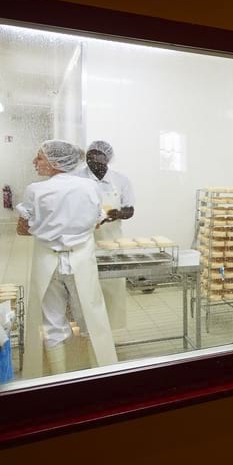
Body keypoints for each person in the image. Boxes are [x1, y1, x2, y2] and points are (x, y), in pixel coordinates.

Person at [16, 140, 118, 377]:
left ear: (54, 163)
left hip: (48, 265)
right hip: (81, 263)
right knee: (91, 318)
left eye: (39, 157)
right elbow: (96, 223)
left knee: (52, 322)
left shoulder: (35, 190)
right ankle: (100, 377)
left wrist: (48, 227)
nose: (34, 162)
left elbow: (22, 229)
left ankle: (60, 380)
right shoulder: (90, 187)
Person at [77, 140, 136, 329]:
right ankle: (87, 329)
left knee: (113, 286)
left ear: (107, 159)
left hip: (112, 241)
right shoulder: (77, 179)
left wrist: (115, 214)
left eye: (98, 159)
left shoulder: (120, 180)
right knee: (86, 287)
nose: (92, 162)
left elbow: (129, 210)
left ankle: (111, 329)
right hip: (83, 241)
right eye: (89, 158)